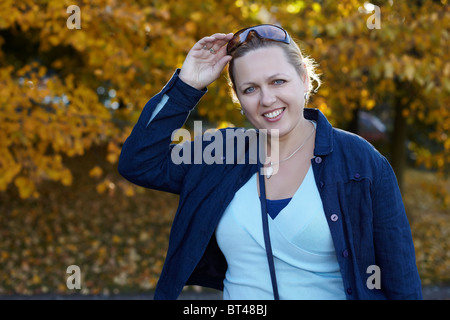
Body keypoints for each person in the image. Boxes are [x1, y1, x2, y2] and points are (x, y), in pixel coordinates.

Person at [118, 24, 423, 300]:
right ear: (238, 97)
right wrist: (187, 86)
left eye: (278, 81)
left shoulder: (360, 160)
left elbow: (401, 282)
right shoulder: (222, 151)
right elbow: (139, 162)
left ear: (304, 78)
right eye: (250, 89)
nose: (266, 100)